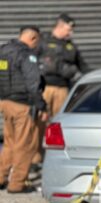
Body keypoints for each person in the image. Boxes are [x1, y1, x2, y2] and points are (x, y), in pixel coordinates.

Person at [31, 13, 89, 166]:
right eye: (69, 29)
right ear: (60, 26)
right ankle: (35, 160)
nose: (71, 33)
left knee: (59, 126)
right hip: (44, 88)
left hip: (63, 89)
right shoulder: (42, 42)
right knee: (38, 125)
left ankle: (56, 160)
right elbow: (30, 63)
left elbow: (83, 67)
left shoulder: (70, 46)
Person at [0, 26, 47, 193]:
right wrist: (41, 105)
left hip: (5, 103)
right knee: (25, 144)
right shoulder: (27, 55)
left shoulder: (4, 50)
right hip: (22, 105)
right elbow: (33, 83)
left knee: (9, 143)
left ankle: (1, 177)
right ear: (33, 38)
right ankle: (17, 184)